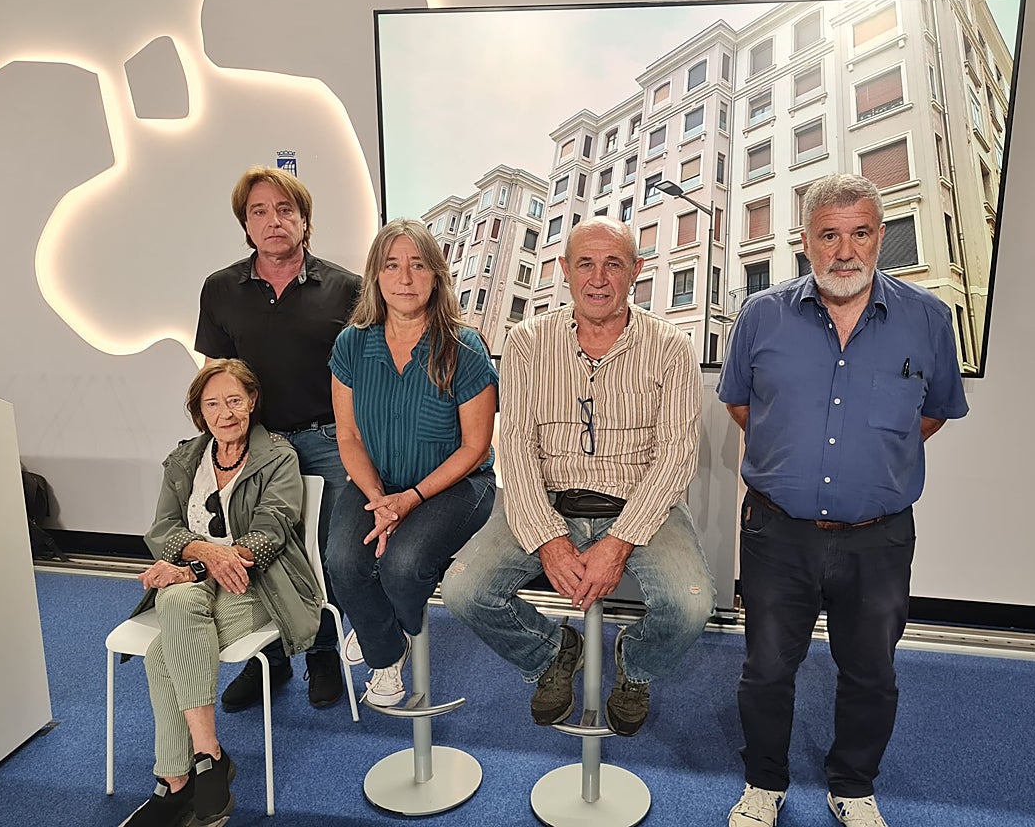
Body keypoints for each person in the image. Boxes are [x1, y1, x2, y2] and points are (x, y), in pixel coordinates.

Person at [718, 174, 970, 827]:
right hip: (778, 534)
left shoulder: (929, 319)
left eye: (860, 233)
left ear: (880, 237)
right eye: (828, 235)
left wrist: (870, 465)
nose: (845, 250)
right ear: (806, 242)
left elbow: (934, 412)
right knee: (767, 670)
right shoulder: (761, 315)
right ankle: (764, 783)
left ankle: (853, 787)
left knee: (871, 674)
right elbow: (745, 406)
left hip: (879, 539)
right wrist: (795, 462)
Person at [442, 216, 715, 737]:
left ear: (636, 271)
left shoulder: (672, 346)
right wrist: (548, 540)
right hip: (547, 502)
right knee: (464, 591)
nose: (598, 278)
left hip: (640, 505)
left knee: (691, 605)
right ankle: (552, 650)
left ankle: (634, 667)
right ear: (564, 270)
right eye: (585, 263)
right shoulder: (525, 344)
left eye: (613, 264)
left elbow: (677, 456)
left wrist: (619, 542)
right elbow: (516, 448)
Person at [119, 359, 321, 827]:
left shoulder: (278, 456)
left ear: (251, 402)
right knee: (177, 600)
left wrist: (206, 563)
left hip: (258, 583)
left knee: (161, 655)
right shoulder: (185, 459)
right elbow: (163, 528)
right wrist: (202, 558)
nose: (225, 412)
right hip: (200, 576)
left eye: (234, 400)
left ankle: (176, 781)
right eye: (213, 403)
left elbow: (272, 527)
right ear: (199, 412)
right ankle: (206, 757)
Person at [195, 166, 359, 711]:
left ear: (305, 219)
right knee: (261, 552)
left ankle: (322, 655)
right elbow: (215, 378)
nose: (273, 221)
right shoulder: (221, 289)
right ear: (245, 225)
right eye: (259, 212)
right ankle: (271, 660)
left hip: (328, 441)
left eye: (285, 209)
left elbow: (365, 375)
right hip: (255, 448)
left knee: (329, 555)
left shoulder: (346, 288)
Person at [327, 219, 497, 708]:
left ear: (436, 275)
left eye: (418, 265)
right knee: (342, 561)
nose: (405, 278)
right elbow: (349, 434)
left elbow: (474, 447)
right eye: (392, 266)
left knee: (402, 567)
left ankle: (376, 627)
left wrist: (410, 500)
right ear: (375, 277)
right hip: (375, 481)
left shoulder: (463, 347)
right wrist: (380, 499)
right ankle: (386, 647)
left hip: (455, 485)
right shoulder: (352, 344)